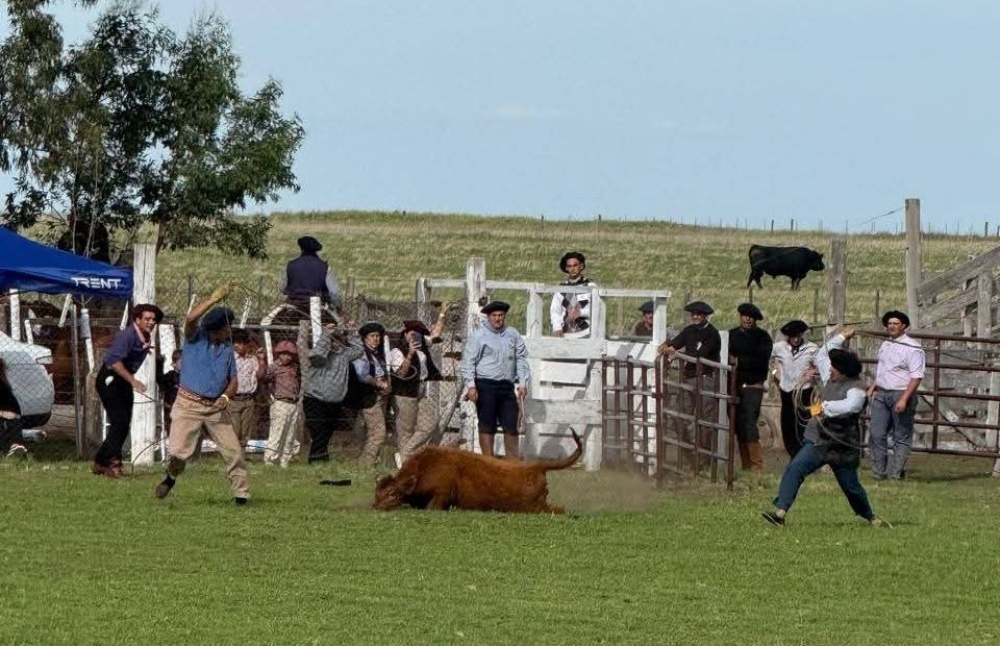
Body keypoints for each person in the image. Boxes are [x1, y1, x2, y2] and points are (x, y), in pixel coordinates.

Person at [762, 328, 889, 527]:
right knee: (795, 468)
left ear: (844, 371)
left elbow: (850, 406)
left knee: (851, 486)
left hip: (842, 444)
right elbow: (823, 353)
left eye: (834, 368)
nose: (829, 370)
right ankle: (780, 513)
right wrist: (843, 336)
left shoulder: (857, 388)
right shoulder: (831, 376)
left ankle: (870, 517)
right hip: (820, 439)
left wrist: (824, 407)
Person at [154, 285, 249, 505]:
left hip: (216, 407)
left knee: (234, 452)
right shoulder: (195, 338)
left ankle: (241, 497)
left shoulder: (227, 350)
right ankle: (171, 477)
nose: (231, 330)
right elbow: (190, 318)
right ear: (217, 328)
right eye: (228, 326)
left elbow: (233, 381)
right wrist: (213, 299)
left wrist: (225, 398)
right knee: (179, 453)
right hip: (188, 404)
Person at [93, 303, 164, 478]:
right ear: (137, 319)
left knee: (123, 424)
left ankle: (100, 462)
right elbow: (115, 362)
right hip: (110, 378)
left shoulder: (145, 336)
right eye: (147, 319)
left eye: (154, 319)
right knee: (118, 422)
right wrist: (133, 381)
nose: (151, 322)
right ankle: (113, 464)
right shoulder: (127, 336)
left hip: (123, 379)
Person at [460, 301, 530, 459]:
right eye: (494, 316)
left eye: (501, 315)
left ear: (504, 316)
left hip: (506, 385)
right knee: (487, 425)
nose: (498, 319)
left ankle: (512, 463)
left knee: (511, 424)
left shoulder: (512, 334)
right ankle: (488, 462)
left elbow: (520, 358)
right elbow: (468, 362)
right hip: (486, 384)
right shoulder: (479, 336)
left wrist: (523, 383)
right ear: (488, 317)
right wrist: (471, 386)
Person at [657, 300, 721, 468]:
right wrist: (667, 345)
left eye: (699, 314)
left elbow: (701, 355)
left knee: (705, 420)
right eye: (693, 313)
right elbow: (676, 342)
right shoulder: (689, 331)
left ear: (705, 315)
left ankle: (706, 459)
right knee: (681, 417)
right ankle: (691, 455)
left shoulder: (712, 334)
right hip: (689, 378)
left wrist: (678, 353)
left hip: (706, 378)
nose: (695, 316)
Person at [867, 310, 925, 480]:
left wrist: (904, 398)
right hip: (882, 393)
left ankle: (895, 473)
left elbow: (916, 376)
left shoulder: (913, 347)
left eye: (896, 323)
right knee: (877, 433)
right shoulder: (885, 345)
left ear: (904, 326)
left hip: (901, 392)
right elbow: (883, 369)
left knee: (901, 435)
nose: (891, 326)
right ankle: (879, 472)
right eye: (889, 323)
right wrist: (874, 385)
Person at [390, 316, 446, 466]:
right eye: (412, 334)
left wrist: (441, 316)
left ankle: (404, 454)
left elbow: (435, 335)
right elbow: (401, 373)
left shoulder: (423, 345)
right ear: (405, 334)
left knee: (430, 423)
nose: (416, 337)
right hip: (405, 393)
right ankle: (405, 462)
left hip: (420, 391)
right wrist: (410, 353)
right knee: (405, 430)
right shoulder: (397, 350)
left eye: (419, 334)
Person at [304, 324, 363, 463]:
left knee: (327, 433)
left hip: (334, 401)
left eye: (338, 338)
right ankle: (316, 461)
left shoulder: (344, 355)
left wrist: (352, 333)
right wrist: (326, 335)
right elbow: (317, 354)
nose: (336, 341)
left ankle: (321, 460)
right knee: (318, 431)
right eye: (333, 339)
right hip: (314, 399)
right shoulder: (318, 355)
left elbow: (359, 350)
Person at [728, 302, 773, 472]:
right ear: (740, 316)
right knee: (738, 425)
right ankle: (746, 464)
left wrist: (738, 361)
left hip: (753, 386)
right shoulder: (731, 335)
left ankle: (756, 465)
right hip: (735, 386)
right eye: (745, 316)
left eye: (751, 317)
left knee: (749, 422)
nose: (747, 319)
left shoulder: (762, 338)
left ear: (755, 320)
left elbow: (761, 361)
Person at [770, 320, 819, 458]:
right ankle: (792, 453)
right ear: (788, 336)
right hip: (787, 390)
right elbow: (766, 358)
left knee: (803, 421)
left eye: (798, 335)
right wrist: (774, 372)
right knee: (787, 422)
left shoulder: (812, 348)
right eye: (793, 336)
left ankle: (803, 453)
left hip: (804, 391)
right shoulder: (779, 347)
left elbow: (822, 366)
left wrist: (813, 373)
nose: (796, 339)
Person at [352, 321, 391, 466]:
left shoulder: (378, 354)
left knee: (373, 431)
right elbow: (362, 375)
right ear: (365, 338)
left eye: (378, 336)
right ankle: (365, 463)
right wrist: (380, 383)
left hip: (380, 396)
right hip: (369, 397)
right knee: (378, 432)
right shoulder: (362, 353)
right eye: (372, 336)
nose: (376, 339)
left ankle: (372, 460)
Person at [279, 235, 342, 316]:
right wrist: (339, 308)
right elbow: (334, 293)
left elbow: (282, 287)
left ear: (301, 249)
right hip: (317, 309)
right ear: (316, 251)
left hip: (293, 307)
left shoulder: (291, 265)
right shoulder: (324, 267)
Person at [262, 339, 302, 467]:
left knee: (290, 433)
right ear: (278, 354)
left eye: (289, 354)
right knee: (277, 432)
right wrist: (269, 398)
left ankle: (285, 460)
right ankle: (270, 459)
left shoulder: (295, 367)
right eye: (283, 354)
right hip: (280, 402)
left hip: (293, 403)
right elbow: (264, 382)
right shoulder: (274, 367)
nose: (286, 357)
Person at [229, 329, 266, 451]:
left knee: (245, 431)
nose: (240, 346)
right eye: (237, 343)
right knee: (235, 430)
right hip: (234, 399)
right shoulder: (230, 359)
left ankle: (242, 455)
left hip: (248, 399)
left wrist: (261, 360)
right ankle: (233, 455)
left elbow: (259, 375)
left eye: (243, 343)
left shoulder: (252, 359)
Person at [550, 251, 593, 338]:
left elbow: (597, 310)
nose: (572, 269)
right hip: (565, 334)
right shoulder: (561, 289)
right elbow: (555, 311)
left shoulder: (590, 287)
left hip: (586, 333)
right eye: (569, 266)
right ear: (566, 268)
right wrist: (557, 328)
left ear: (581, 266)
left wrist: (581, 312)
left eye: (575, 265)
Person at [0, 357, 26, 458]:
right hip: (5, 415)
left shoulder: (2, 385)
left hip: (9, 416)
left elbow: (12, 409)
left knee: (10, 423)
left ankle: (14, 448)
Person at [156, 349, 182, 438]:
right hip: (172, 407)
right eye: (181, 362)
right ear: (174, 364)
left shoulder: (191, 377)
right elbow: (160, 380)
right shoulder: (171, 376)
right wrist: (159, 363)